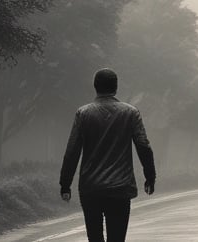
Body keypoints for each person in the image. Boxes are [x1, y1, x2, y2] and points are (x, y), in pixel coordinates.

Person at [59, 68, 156, 242]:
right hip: (120, 187)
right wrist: (150, 176)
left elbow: (72, 151)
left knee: (94, 238)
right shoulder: (130, 113)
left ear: (95, 86)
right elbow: (143, 146)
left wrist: (65, 184)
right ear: (116, 87)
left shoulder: (83, 113)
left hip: (90, 188)